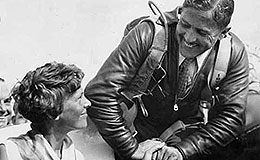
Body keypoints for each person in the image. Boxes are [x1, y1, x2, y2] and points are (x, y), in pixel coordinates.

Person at [84, 0, 249, 160]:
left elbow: (232, 117)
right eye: (184, 24)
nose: (189, 38)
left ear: (223, 33)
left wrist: (182, 152)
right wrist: (130, 149)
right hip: (133, 137)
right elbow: (100, 94)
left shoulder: (233, 53)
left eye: (202, 32)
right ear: (179, 12)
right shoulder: (148, 34)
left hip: (186, 142)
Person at [0, 62, 89, 160]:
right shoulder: (12, 152)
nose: (87, 103)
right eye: (79, 98)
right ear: (54, 110)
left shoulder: (75, 156)